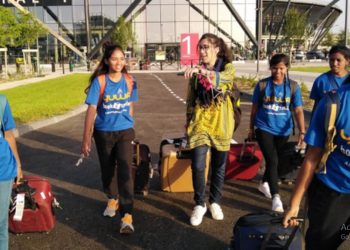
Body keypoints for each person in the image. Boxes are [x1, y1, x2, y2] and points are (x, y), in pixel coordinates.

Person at [283, 78, 350, 250]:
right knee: (325, 244)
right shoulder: (334, 103)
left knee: (343, 233)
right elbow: (312, 157)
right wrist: (294, 204)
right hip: (334, 194)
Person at [81, 44, 138, 234]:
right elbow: (91, 110)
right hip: (103, 132)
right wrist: (86, 138)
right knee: (107, 170)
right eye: (114, 58)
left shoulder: (130, 80)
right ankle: (112, 198)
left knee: (125, 170)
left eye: (122, 58)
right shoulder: (100, 81)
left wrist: (130, 123)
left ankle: (127, 215)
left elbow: (130, 104)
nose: (119, 62)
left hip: (124, 132)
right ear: (106, 61)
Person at [183, 33, 235, 226]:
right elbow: (190, 98)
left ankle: (215, 201)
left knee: (219, 166)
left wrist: (199, 70)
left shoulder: (227, 68)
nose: (203, 51)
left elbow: (223, 78)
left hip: (221, 122)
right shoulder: (196, 73)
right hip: (200, 121)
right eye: (201, 48)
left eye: (206, 47)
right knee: (197, 164)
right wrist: (188, 118)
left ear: (217, 49)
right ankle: (199, 203)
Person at [248, 54, 305, 212]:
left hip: (284, 130)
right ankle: (276, 197)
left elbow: (299, 110)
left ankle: (263, 183)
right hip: (264, 127)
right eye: (274, 68)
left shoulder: (293, 87)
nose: (278, 71)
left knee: (276, 160)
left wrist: (302, 131)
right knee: (272, 160)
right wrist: (251, 128)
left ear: (287, 68)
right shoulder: (262, 85)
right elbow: (254, 110)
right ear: (270, 68)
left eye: (281, 68)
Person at [0, 95, 23, 250]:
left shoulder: (1, 101)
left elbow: (8, 135)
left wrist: (18, 167)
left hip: (3, 169)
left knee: (1, 223)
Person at [310, 45, 350, 114]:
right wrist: (313, 124)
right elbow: (316, 107)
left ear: (347, 61)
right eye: (332, 60)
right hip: (326, 124)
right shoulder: (321, 81)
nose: (334, 63)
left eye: (338, 60)